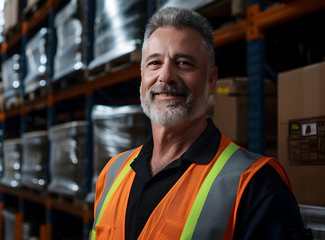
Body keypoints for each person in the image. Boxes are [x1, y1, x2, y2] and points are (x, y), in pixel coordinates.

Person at [91, 7, 311, 240]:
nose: (166, 76)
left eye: (183, 63)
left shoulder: (255, 183)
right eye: (155, 63)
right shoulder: (112, 173)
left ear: (211, 79)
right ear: (142, 75)